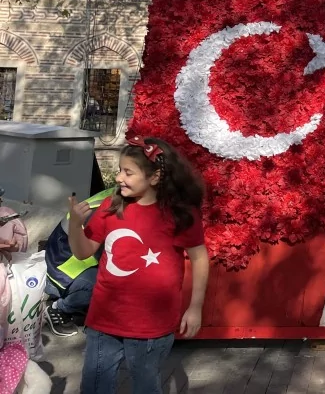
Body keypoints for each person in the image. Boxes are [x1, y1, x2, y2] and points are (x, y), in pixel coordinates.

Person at [68, 138, 208, 394]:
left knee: (145, 386)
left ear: (154, 177)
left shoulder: (178, 214)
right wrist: (74, 225)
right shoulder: (111, 207)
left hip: (151, 326)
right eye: (120, 170)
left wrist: (195, 307)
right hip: (104, 319)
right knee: (94, 386)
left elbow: (199, 258)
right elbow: (82, 252)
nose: (119, 177)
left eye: (128, 172)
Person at [43, 187, 116, 337]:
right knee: (107, 284)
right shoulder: (111, 206)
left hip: (77, 260)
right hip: (64, 269)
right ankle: (58, 308)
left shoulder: (121, 195)